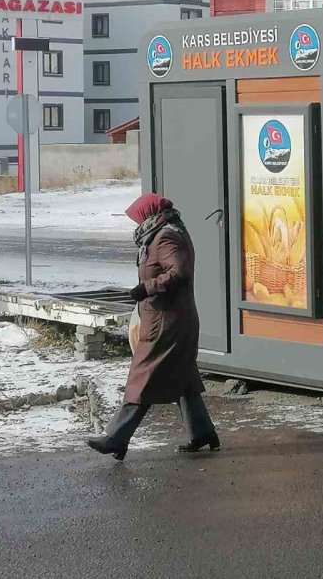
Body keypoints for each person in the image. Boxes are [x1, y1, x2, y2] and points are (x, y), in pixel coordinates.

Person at [87, 193, 219, 461]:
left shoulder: (165, 237)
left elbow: (179, 271)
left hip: (166, 322)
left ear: (149, 215)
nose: (135, 224)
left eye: (137, 218)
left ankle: (116, 437)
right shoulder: (163, 232)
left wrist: (147, 287)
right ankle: (202, 432)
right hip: (171, 319)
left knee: (143, 376)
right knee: (183, 377)